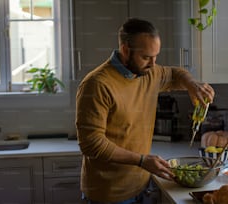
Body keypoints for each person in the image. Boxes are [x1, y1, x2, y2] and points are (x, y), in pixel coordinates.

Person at [75, 18, 215, 204]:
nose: (153, 64)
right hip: (107, 195)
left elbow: (175, 73)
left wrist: (192, 85)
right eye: (146, 57)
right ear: (125, 50)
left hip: (142, 186)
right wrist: (142, 160)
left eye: (155, 56)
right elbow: (92, 144)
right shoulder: (97, 84)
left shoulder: (149, 72)